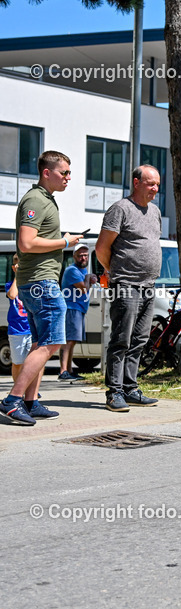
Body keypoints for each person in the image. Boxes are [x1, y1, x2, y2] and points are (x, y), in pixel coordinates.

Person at [1, 150, 82, 425]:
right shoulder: (36, 199)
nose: (68, 177)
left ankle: (30, 401)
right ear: (46, 173)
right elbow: (26, 243)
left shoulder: (45, 199)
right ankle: (12, 400)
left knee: (39, 343)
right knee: (52, 342)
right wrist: (65, 242)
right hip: (41, 282)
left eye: (69, 172)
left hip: (37, 281)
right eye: (64, 172)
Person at [95, 164, 163, 412]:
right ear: (136, 182)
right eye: (150, 183)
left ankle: (130, 388)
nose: (155, 188)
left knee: (140, 340)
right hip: (126, 285)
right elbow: (102, 248)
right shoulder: (120, 209)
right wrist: (114, 271)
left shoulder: (155, 211)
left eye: (157, 184)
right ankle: (114, 393)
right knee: (121, 339)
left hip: (148, 286)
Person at [58, 243, 97, 381]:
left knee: (72, 341)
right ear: (74, 256)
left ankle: (69, 370)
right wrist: (89, 279)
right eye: (80, 255)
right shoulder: (72, 270)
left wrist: (90, 279)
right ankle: (63, 371)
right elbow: (84, 289)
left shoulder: (83, 270)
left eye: (85, 255)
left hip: (79, 308)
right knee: (68, 340)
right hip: (72, 308)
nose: (83, 258)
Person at [6, 255, 41, 394]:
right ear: (14, 268)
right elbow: (12, 295)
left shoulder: (32, 285)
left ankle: (32, 390)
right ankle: (18, 390)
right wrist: (18, 275)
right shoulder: (11, 284)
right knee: (18, 362)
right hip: (17, 330)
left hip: (32, 329)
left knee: (34, 361)